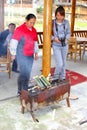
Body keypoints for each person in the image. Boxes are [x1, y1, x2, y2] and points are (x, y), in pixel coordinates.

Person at [10, 14, 39, 95]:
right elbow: (14, 42)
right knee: (24, 73)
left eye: (34, 23)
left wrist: (36, 52)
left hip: (30, 55)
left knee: (27, 73)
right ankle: (21, 91)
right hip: (21, 55)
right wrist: (13, 54)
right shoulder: (20, 29)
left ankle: (24, 90)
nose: (32, 25)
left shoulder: (34, 30)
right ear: (26, 20)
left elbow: (35, 42)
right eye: (30, 22)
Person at [52, 6, 70, 81]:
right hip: (56, 46)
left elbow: (68, 32)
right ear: (55, 15)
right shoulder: (52, 23)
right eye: (58, 15)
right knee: (60, 64)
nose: (59, 17)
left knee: (64, 63)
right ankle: (55, 78)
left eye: (61, 15)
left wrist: (66, 39)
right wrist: (54, 38)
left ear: (64, 15)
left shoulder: (66, 22)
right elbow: (48, 34)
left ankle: (62, 77)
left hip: (64, 45)